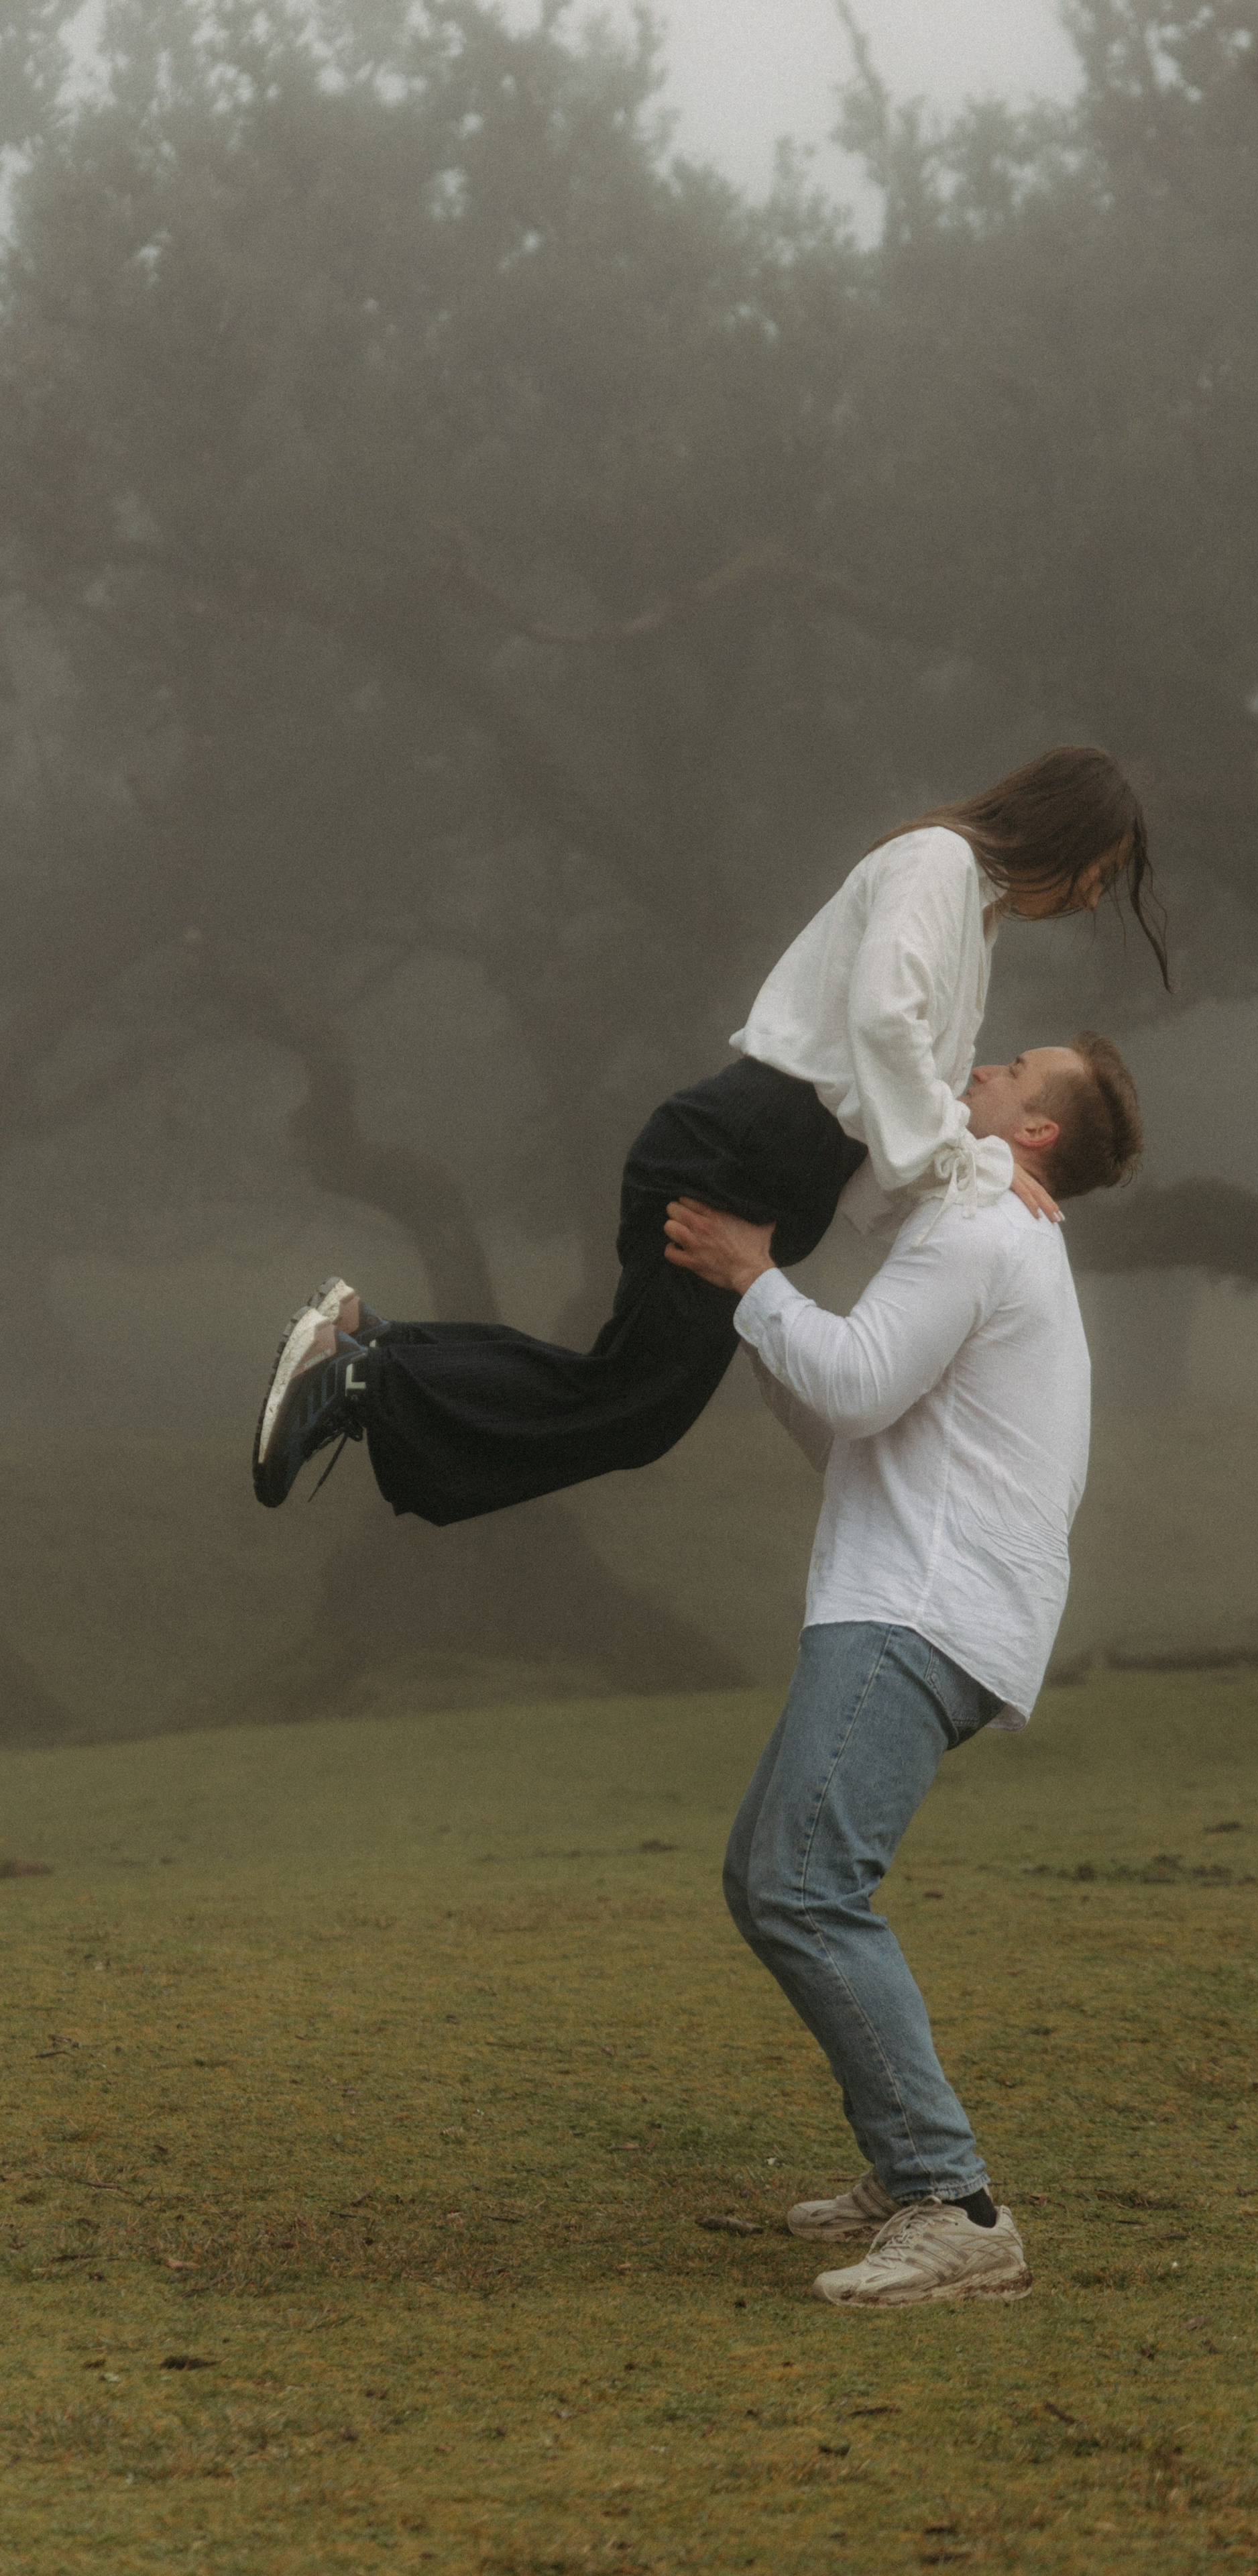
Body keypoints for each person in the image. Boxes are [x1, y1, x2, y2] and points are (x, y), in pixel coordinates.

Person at [250, 746, 1166, 1515]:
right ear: (1065, 831)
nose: (1093, 899)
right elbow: (886, 1026)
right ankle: (356, 1372)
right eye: (1101, 871)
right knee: (633, 1407)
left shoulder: (973, 905)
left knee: (627, 1392)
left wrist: (962, 1179)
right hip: (742, 1150)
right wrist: (974, 1162)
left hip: (761, 1159)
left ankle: (364, 1345)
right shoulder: (941, 865)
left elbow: (895, 1091)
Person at [662, 1032, 1142, 2307]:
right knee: (767, 1878)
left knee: (807, 1883)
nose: (980, 1065)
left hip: (923, 1610)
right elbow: (848, 1420)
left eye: (1011, 1069)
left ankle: (956, 2206)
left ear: (1034, 1133)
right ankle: (905, 2166)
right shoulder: (977, 1216)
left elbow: (862, 1386)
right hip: (914, 1600)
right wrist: (761, 1310)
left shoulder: (986, 1225)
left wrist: (755, 1278)